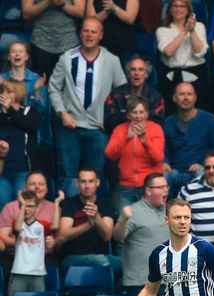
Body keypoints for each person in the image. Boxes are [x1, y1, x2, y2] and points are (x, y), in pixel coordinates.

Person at [48, 18, 127, 195]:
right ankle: (69, 218)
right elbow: (53, 87)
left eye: (93, 32)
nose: (89, 35)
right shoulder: (67, 58)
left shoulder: (112, 60)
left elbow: (122, 93)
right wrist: (62, 112)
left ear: (101, 35)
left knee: (94, 178)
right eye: (86, 31)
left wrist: (109, 120)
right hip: (69, 127)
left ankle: (93, 220)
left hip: (98, 130)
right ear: (80, 33)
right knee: (69, 178)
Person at [113, 173, 169, 296]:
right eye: (161, 187)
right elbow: (118, 236)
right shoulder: (133, 212)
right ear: (148, 190)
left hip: (167, 281)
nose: (165, 190)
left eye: (166, 187)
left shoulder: (169, 211)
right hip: (141, 283)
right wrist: (123, 219)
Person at [163, 82, 214, 197]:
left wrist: (204, 165)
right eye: (181, 94)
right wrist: (165, 163)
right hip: (175, 172)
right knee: (160, 179)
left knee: (203, 175)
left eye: (189, 94)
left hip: (199, 171)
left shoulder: (210, 120)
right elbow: (163, 150)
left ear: (195, 98)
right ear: (174, 98)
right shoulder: (168, 123)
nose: (186, 98)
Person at [104, 96, 165, 209]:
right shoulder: (119, 129)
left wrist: (145, 142)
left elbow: (158, 158)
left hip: (151, 186)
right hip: (127, 187)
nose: (138, 116)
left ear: (147, 114)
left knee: (152, 222)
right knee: (125, 221)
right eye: (134, 112)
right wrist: (126, 137)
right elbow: (109, 154)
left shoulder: (156, 129)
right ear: (128, 115)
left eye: (141, 112)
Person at [7, 190, 62, 296]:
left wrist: (56, 203)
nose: (27, 209)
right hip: (19, 272)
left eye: (30, 206)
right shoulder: (17, 223)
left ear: (36, 208)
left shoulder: (42, 225)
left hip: (37, 274)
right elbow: (17, 228)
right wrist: (22, 205)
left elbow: (55, 226)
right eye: (24, 206)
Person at [156, 0, 209, 114]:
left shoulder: (199, 26)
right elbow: (168, 52)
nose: (178, 9)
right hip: (171, 77)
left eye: (182, 6)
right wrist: (184, 31)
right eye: (175, 6)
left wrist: (192, 31)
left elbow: (200, 52)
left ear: (188, 9)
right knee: (171, 113)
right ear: (169, 9)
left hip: (196, 76)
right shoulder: (162, 30)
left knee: (199, 112)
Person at [56, 167, 115, 271]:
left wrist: (97, 217)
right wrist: (88, 225)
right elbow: (63, 236)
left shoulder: (105, 204)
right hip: (72, 258)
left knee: (127, 263)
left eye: (91, 181)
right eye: (83, 182)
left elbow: (107, 236)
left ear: (97, 183)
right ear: (77, 184)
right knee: (102, 262)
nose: (87, 186)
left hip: (102, 256)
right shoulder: (68, 204)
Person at [0, 78, 41, 210]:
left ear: (18, 93)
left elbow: (28, 125)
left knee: (21, 207)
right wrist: (4, 113)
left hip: (23, 170)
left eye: (9, 92)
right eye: (2, 91)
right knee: (3, 206)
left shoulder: (30, 111)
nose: (4, 95)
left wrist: (10, 110)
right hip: (2, 171)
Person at [0, 172, 57, 265]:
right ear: (25, 188)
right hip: (15, 257)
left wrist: (53, 242)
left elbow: (58, 239)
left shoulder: (55, 209)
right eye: (32, 184)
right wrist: (27, 243)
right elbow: (2, 236)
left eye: (41, 184)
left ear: (46, 189)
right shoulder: (10, 207)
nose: (37, 187)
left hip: (44, 258)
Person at [21, 0, 85, 78]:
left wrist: (62, 4)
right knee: (39, 86)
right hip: (40, 43)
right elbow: (26, 13)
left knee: (69, 85)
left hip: (68, 43)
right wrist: (47, 2)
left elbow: (80, 12)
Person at [103, 56, 166, 135]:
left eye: (140, 70)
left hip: (147, 136)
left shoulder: (155, 96)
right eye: (133, 69)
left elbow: (159, 122)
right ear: (128, 74)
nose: (136, 73)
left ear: (146, 74)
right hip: (121, 137)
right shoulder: (116, 94)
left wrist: (129, 116)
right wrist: (129, 114)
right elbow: (108, 123)